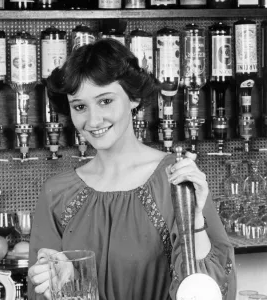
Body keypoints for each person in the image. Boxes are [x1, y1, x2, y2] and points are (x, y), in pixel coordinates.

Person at [27, 38, 236, 300]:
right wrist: (61, 284)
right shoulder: (56, 193)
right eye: (80, 106)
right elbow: (38, 292)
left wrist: (195, 222)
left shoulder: (176, 180)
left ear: (134, 98)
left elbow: (213, 292)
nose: (93, 120)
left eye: (105, 101)